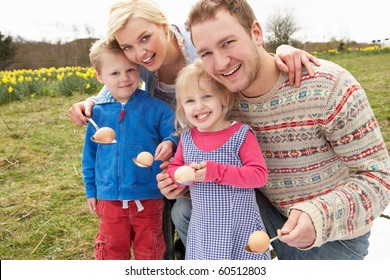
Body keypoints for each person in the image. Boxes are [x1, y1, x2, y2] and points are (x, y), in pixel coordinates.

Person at [69, 0, 320, 259]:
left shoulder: (196, 45)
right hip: (181, 143)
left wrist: (283, 49)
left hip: (219, 138)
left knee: (191, 208)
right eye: (128, 47)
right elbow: (113, 83)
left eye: (145, 38)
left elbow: (242, 52)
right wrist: (90, 103)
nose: (139, 52)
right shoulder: (140, 64)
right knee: (164, 205)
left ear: (165, 27)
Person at [157, 0, 390, 260]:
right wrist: (184, 181)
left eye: (228, 43)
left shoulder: (329, 87)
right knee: (185, 209)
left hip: (332, 238)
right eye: (206, 53)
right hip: (264, 216)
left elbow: (380, 177)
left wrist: (318, 216)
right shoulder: (220, 99)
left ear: (256, 33)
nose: (221, 63)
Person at [81, 38, 177, 260]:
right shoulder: (97, 115)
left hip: (149, 198)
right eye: (115, 73)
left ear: (139, 69)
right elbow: (90, 157)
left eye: (131, 70)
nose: (125, 78)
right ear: (100, 76)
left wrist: (170, 142)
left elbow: (174, 131)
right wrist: (91, 190)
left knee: (151, 251)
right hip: (109, 199)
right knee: (112, 251)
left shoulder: (156, 107)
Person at [166, 58, 269, 259]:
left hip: (240, 228)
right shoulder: (187, 138)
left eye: (206, 96)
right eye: (190, 101)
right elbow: (174, 168)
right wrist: (181, 175)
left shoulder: (240, 134)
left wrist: (216, 172)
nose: (199, 107)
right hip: (203, 230)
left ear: (223, 97)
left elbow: (259, 176)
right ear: (182, 107)